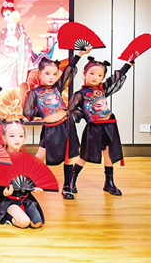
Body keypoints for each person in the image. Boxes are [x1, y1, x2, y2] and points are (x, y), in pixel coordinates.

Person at [23, 47, 91, 199]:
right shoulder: (35, 93)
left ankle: (67, 186)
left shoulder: (57, 87)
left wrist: (80, 54)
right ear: (39, 73)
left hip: (66, 125)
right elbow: (27, 111)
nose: (51, 77)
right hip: (50, 129)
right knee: (40, 156)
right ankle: (26, 181)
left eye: (55, 74)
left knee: (68, 157)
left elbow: (69, 70)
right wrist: (44, 112)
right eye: (47, 73)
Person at [69, 56, 135, 196]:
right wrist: (85, 115)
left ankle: (109, 183)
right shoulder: (80, 94)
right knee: (85, 155)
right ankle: (71, 180)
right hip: (94, 128)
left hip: (109, 126)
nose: (95, 77)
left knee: (108, 154)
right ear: (85, 73)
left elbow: (115, 78)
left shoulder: (102, 89)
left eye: (100, 75)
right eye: (92, 73)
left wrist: (128, 65)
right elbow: (72, 109)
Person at [0, 121, 45, 229]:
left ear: (24, 138)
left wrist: (35, 188)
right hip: (8, 200)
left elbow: (31, 180)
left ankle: (23, 211)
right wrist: (4, 192)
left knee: (36, 224)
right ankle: (5, 214)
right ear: (4, 138)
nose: (17, 139)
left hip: (26, 199)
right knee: (24, 222)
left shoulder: (28, 159)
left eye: (20, 136)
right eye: (12, 136)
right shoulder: (0, 160)